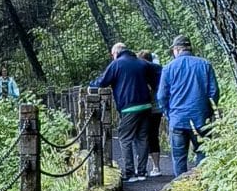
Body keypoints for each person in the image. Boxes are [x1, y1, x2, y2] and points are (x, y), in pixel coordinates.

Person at [91, 42, 162, 182]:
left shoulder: (117, 64)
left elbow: (102, 81)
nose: (112, 58)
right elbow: (159, 70)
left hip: (129, 107)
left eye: (112, 55)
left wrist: (91, 86)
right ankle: (142, 172)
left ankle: (130, 173)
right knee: (142, 138)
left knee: (125, 138)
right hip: (146, 106)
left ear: (116, 53)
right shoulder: (141, 63)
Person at [156, 35, 218, 176]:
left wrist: (168, 112)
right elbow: (214, 92)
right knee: (203, 152)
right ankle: (202, 183)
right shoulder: (205, 64)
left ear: (176, 50)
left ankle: (179, 185)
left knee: (179, 158)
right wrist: (209, 111)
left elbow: (161, 96)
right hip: (201, 118)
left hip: (178, 118)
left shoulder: (169, 68)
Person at [137, 51, 164, 176]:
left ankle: (141, 168)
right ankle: (156, 167)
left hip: (144, 108)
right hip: (156, 109)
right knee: (153, 136)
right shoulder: (158, 71)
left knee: (142, 137)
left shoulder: (142, 73)